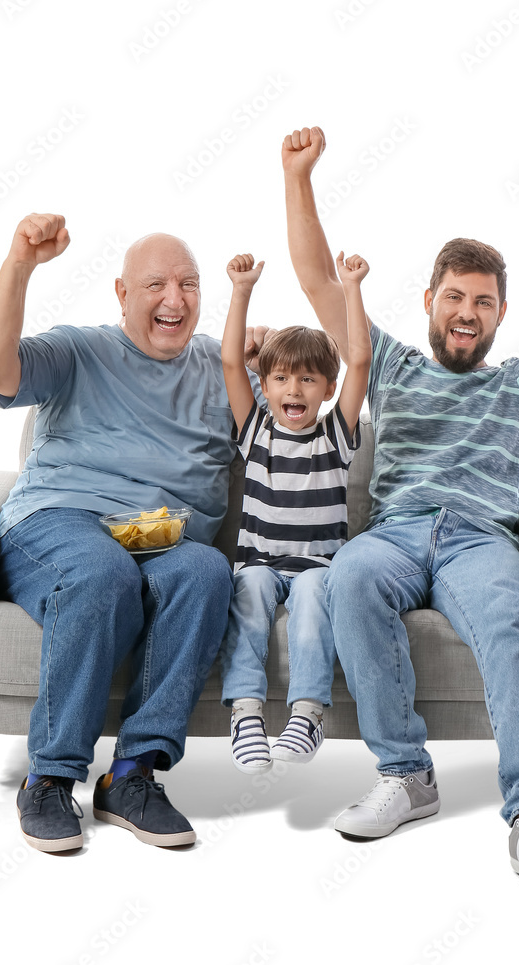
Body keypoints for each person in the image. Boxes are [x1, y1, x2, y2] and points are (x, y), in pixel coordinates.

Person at [281, 126, 519, 889]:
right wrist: (299, 177)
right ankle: (407, 775)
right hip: (398, 532)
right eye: (455, 295)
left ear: (500, 315)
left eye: (483, 301)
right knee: (350, 575)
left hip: (480, 539)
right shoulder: (390, 363)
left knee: (513, 623)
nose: (467, 310)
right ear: (429, 301)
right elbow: (317, 278)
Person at [0, 213, 247, 853]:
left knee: (206, 572)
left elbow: (298, 402)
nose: (175, 299)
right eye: (156, 285)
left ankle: (132, 775)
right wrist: (20, 264)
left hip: (157, 536)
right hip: (61, 521)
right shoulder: (80, 350)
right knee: (100, 571)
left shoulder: (223, 363)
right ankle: (50, 776)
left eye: (189, 284)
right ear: (122, 294)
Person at [218, 251, 370, 773]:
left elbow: (362, 363)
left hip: (316, 569)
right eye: (281, 379)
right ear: (266, 388)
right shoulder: (256, 430)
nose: (293, 390)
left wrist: (350, 288)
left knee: (310, 596)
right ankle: (245, 713)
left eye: (308, 380)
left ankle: (307, 714)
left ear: (328, 390)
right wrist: (241, 291)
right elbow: (232, 362)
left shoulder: (335, 436)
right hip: (258, 565)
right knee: (250, 590)